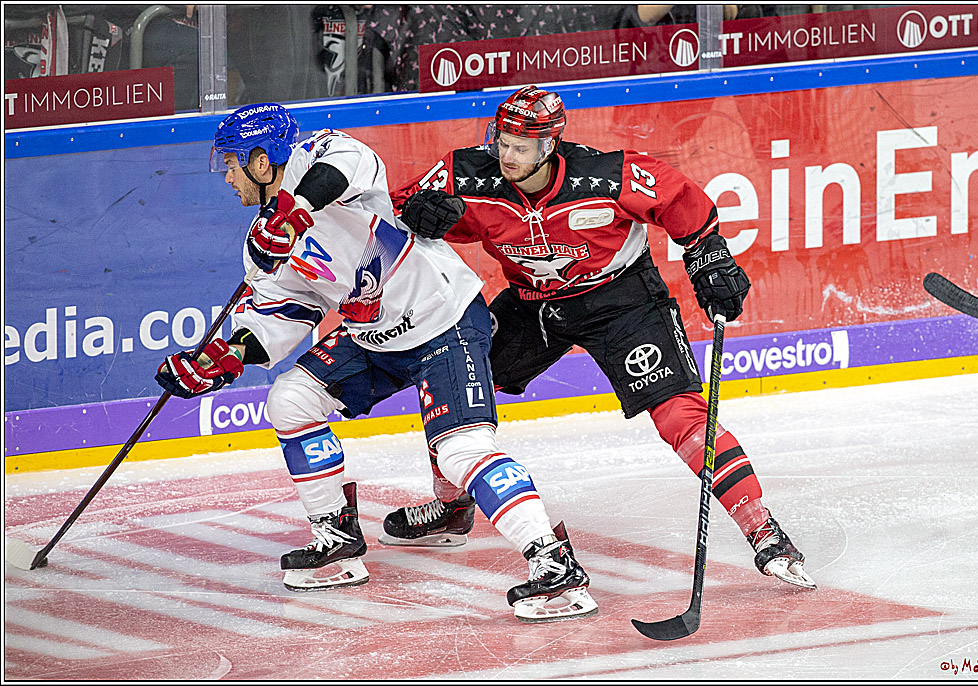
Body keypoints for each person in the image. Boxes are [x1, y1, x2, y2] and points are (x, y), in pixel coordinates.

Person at [154, 102, 598, 622]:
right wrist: (227, 356)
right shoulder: (261, 248)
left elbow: (348, 164)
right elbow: (287, 312)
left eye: (231, 163)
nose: (227, 177)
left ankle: (554, 565)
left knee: (460, 451)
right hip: (374, 337)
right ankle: (336, 536)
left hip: (442, 318)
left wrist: (293, 212)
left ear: (260, 160)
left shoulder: (320, 157)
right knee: (290, 399)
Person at [387, 86, 815, 589]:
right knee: (448, 377)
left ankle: (762, 531)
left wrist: (709, 255)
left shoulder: (607, 175)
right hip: (530, 303)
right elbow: (399, 206)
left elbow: (683, 202)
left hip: (621, 302)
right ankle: (452, 509)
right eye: (500, 141)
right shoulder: (466, 172)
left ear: (550, 146)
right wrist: (415, 214)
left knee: (679, 414)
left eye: (519, 147)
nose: (505, 155)